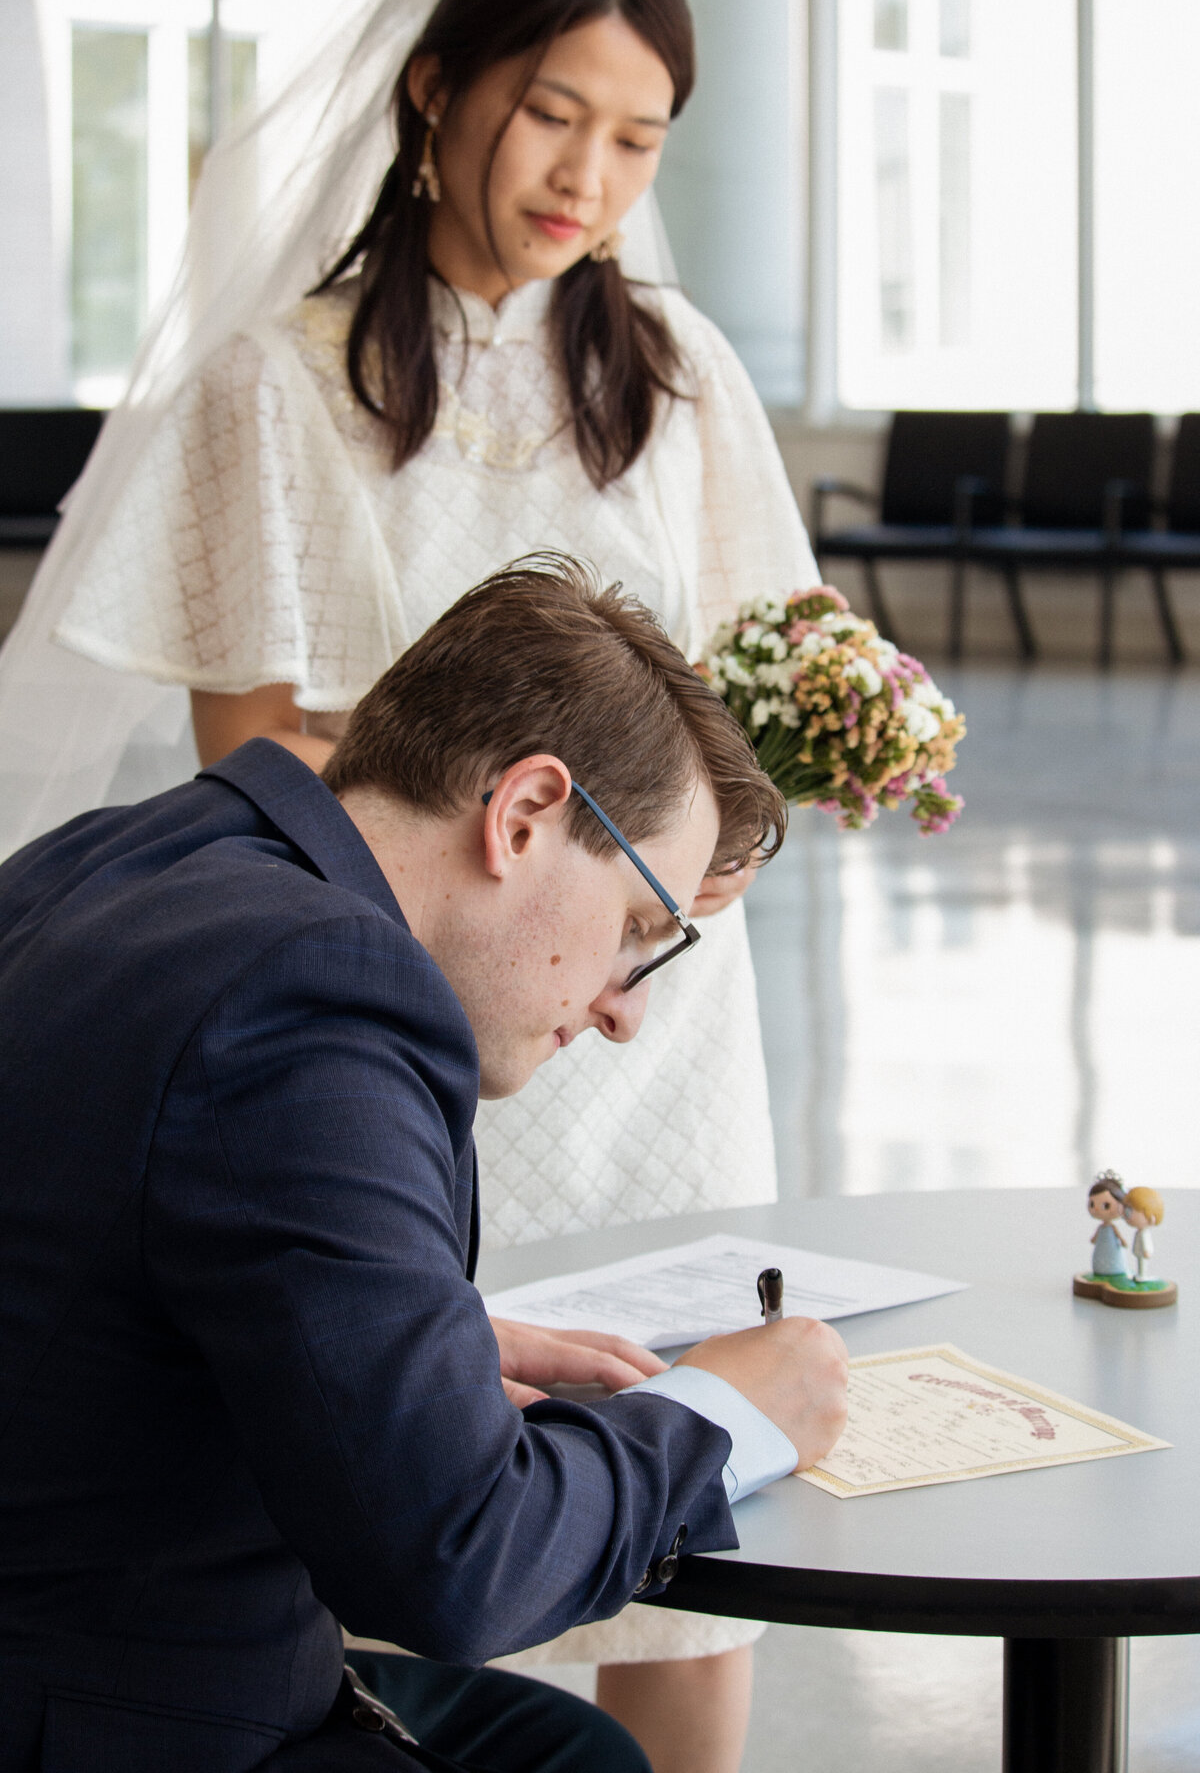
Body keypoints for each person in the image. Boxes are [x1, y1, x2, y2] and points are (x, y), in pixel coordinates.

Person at [0, 0, 819, 1759]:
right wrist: (500, 811)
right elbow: (262, 737)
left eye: (636, 139)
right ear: (435, 89)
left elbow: (770, 648)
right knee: (413, 1461)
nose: (587, 174)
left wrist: (718, 834)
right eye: (549, 114)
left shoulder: (675, 371)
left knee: (617, 1439)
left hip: (612, 925)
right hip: (448, 940)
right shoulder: (277, 379)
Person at [0, 558, 850, 1772]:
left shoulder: (123, 857)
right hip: (119, 1710)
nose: (624, 1012)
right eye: (638, 932)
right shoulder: (318, 996)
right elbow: (461, 1562)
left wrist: (397, 1335)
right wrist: (723, 1417)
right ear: (523, 816)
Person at [1087, 1174, 1130, 1279]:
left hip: (1113, 1251)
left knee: (1113, 1258)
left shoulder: (1113, 1228)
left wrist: (1123, 1241)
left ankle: (1114, 1268)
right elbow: (1094, 1238)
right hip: (1101, 1249)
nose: (1096, 1209)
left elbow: (1120, 1237)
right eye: (1092, 1204)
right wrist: (1093, 1239)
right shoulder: (1100, 1228)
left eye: (1105, 1206)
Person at [1123, 1186, 1164, 1283]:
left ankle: (1143, 1275)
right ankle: (1140, 1274)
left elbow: (1146, 1243)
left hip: (1143, 1252)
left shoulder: (1144, 1233)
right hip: (1139, 1252)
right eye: (1126, 1210)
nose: (1125, 1214)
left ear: (1150, 1217)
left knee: (1142, 1263)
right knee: (1140, 1263)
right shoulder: (1139, 1232)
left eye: (1129, 1211)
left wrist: (1147, 1251)